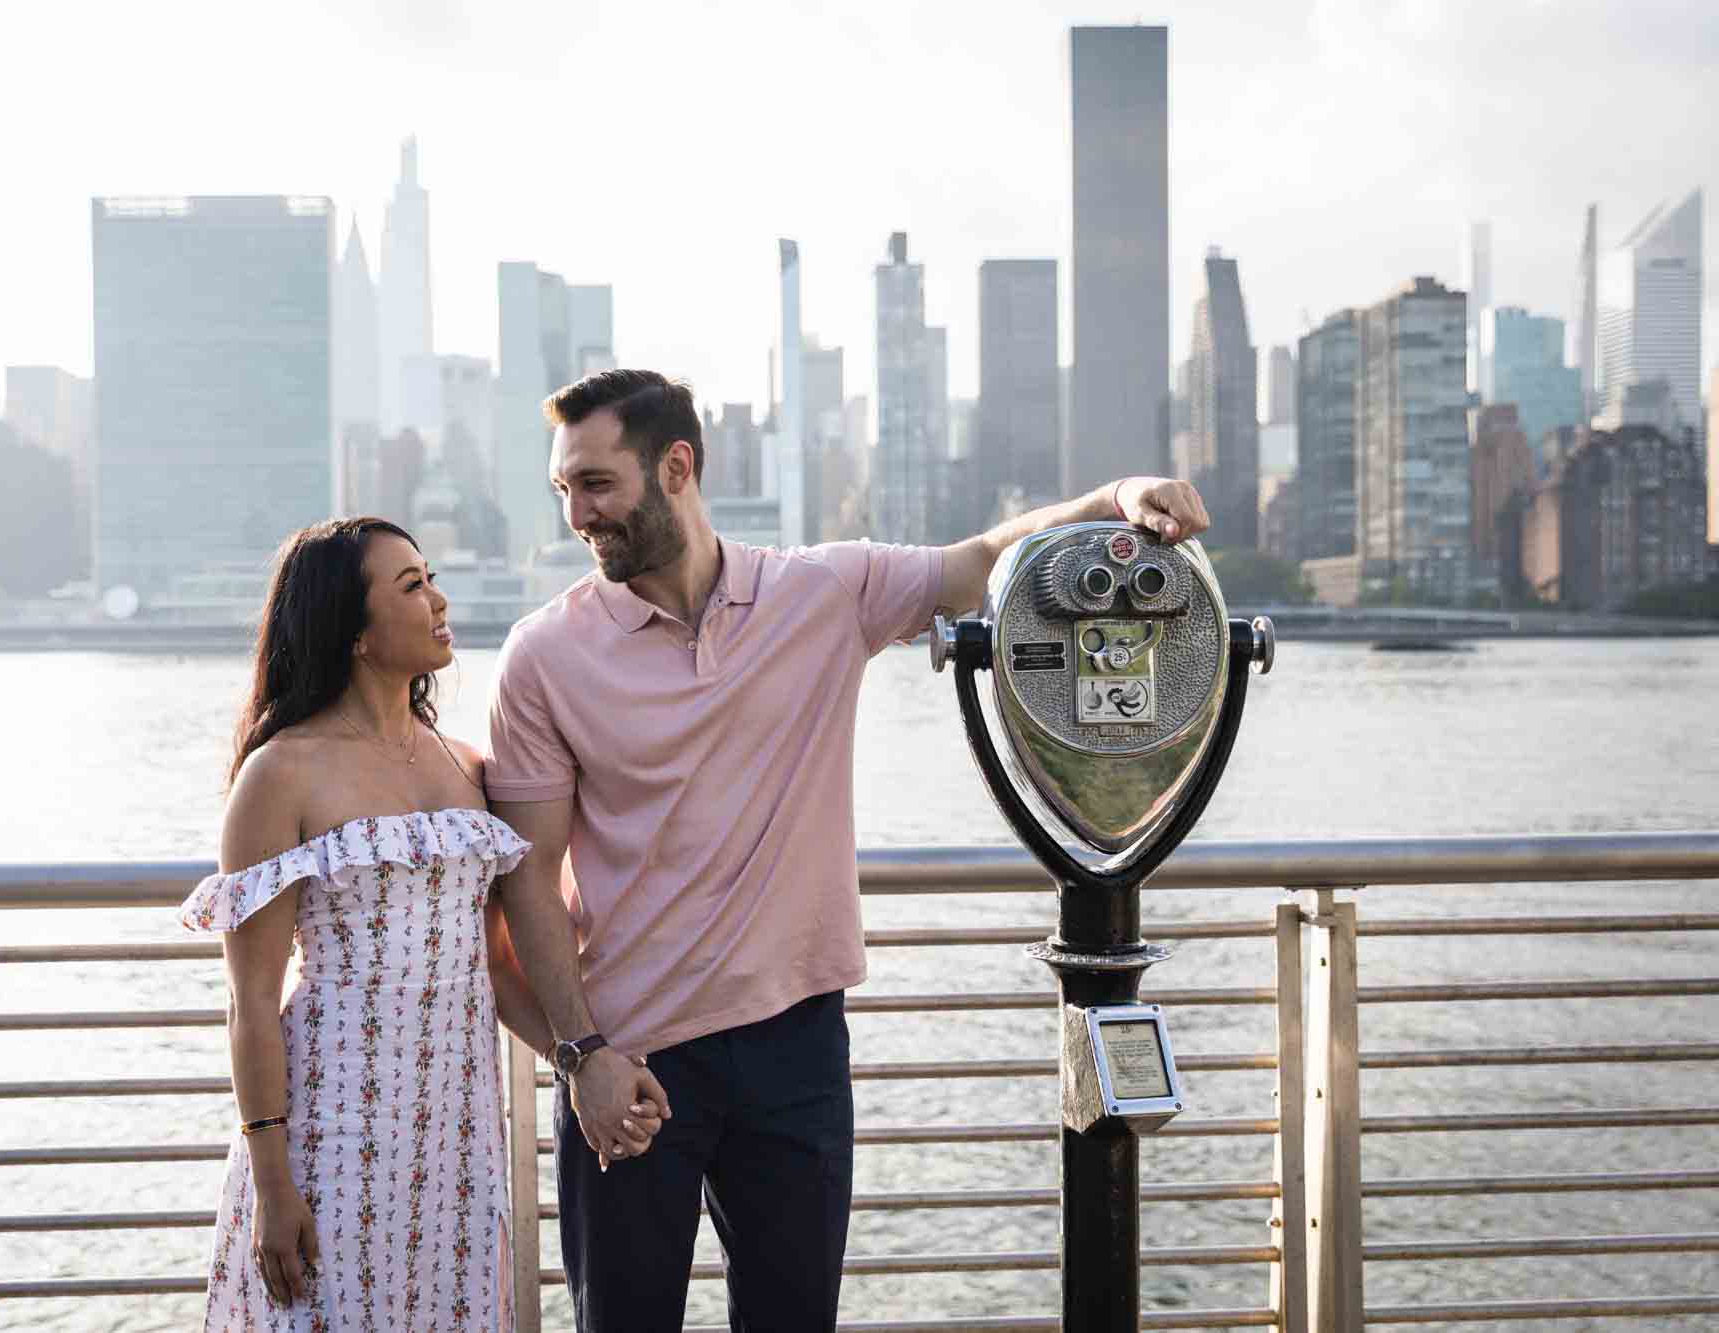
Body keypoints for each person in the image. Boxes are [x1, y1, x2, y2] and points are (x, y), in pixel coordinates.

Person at [484, 369, 1210, 1331]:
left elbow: (984, 559)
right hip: (634, 1060)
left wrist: (1116, 501)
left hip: (796, 1051)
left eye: (595, 484)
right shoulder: (543, 656)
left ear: (677, 467)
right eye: (564, 489)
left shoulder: (819, 594)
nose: (577, 513)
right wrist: (580, 1057)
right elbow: (525, 880)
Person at [176, 516, 664, 1332]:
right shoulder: (279, 773)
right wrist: (271, 1179)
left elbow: (499, 968)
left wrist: (582, 1066)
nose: (439, 599)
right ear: (353, 629)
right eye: (411, 586)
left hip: (457, 1134)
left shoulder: (466, 764)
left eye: (431, 576)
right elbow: (252, 1001)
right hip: (331, 1130)